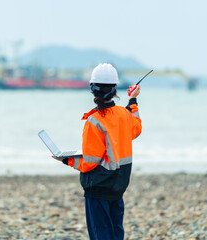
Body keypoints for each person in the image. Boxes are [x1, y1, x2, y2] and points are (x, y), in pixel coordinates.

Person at [58, 63, 142, 240]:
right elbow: (136, 129)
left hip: (98, 188)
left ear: (92, 89)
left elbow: (89, 162)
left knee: (101, 234)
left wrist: (66, 160)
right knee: (115, 231)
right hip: (118, 186)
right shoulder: (125, 114)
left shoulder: (93, 121)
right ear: (114, 89)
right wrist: (133, 101)